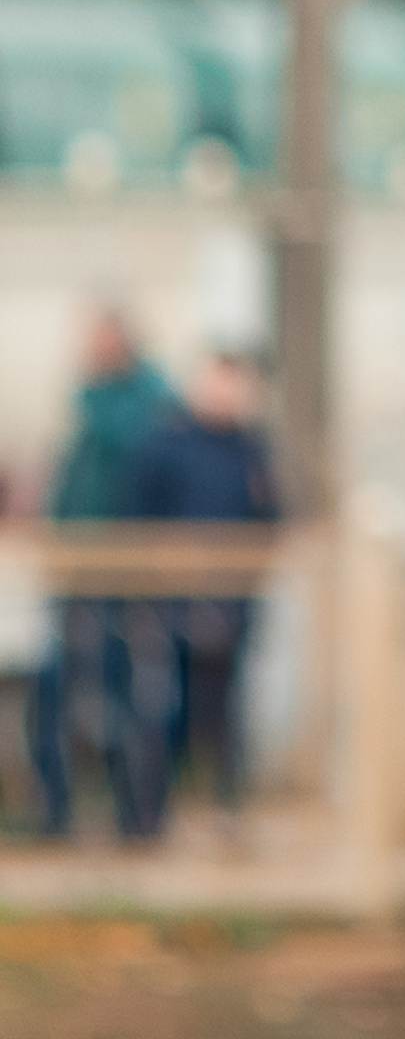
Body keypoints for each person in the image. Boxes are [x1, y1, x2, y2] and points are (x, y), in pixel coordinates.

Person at [27, 305, 174, 839]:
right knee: (62, 696)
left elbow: (141, 478)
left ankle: (137, 817)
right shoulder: (88, 411)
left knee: (127, 699)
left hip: (126, 578)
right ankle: (56, 812)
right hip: (76, 575)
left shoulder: (148, 407)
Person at [120, 352, 279, 836]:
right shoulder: (166, 445)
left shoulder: (252, 449)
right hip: (173, 607)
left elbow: (272, 518)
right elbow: (137, 516)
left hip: (232, 607)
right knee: (164, 713)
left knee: (227, 718)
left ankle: (227, 811)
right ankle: (150, 817)